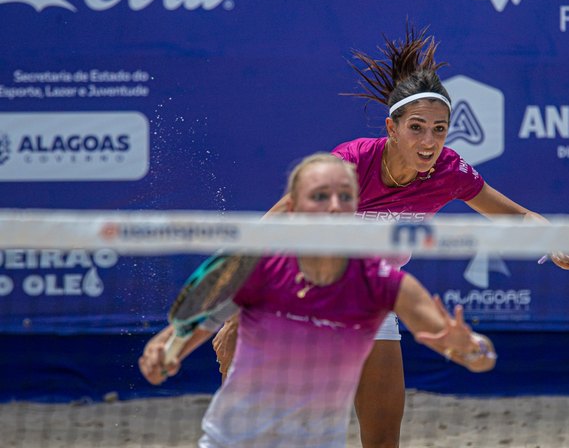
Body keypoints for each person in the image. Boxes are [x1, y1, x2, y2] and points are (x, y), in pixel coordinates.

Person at [213, 24, 569, 447]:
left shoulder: (449, 172)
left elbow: (518, 215)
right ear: (392, 127)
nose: (429, 141)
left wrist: (553, 238)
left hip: (372, 299)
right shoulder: (349, 163)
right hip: (301, 294)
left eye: (440, 129)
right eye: (417, 128)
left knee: (384, 439)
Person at [139, 153, 497, 448]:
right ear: (293, 208)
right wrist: (163, 351)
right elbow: (186, 329)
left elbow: (477, 358)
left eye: (345, 196)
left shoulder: (383, 284)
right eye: (320, 196)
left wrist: (474, 348)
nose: (334, 207)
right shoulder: (262, 270)